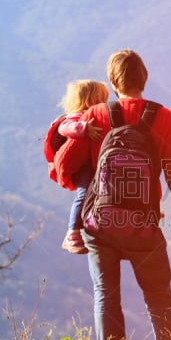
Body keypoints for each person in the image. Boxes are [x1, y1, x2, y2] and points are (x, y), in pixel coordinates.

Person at [56, 49, 171, 340]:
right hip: (143, 226)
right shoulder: (166, 119)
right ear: (144, 79)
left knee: (106, 295)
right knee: (160, 299)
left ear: (112, 80)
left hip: (100, 225)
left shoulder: (94, 115)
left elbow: (64, 165)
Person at [56, 79, 107, 254]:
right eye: (100, 98)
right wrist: (84, 128)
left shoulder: (96, 116)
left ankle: (88, 225)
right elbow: (64, 128)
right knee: (84, 193)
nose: (103, 102)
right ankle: (72, 233)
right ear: (88, 99)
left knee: (95, 194)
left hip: (92, 164)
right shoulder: (77, 117)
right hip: (82, 167)